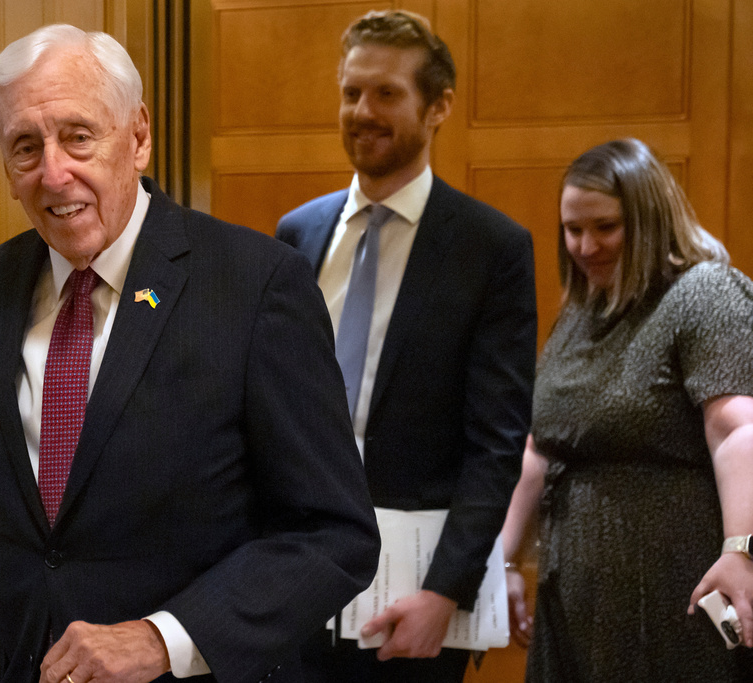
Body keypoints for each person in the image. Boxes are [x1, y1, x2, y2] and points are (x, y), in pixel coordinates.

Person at [0, 24, 381, 683]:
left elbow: (334, 534)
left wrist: (164, 638)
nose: (54, 173)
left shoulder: (255, 285)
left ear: (139, 137)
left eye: (78, 136)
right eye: (25, 147)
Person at [276, 9, 536, 682]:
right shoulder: (297, 235)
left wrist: (446, 592)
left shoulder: (492, 249)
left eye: (386, 93)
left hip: (414, 601)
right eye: (351, 92)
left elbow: (497, 443)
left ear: (438, 106)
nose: (362, 111)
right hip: (295, 579)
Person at [500, 138, 753, 681]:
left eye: (606, 227)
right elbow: (540, 448)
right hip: (573, 594)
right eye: (573, 229)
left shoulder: (705, 292)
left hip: (670, 590)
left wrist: (741, 550)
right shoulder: (578, 315)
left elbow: (736, 429)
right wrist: (503, 560)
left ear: (650, 220)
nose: (585, 246)